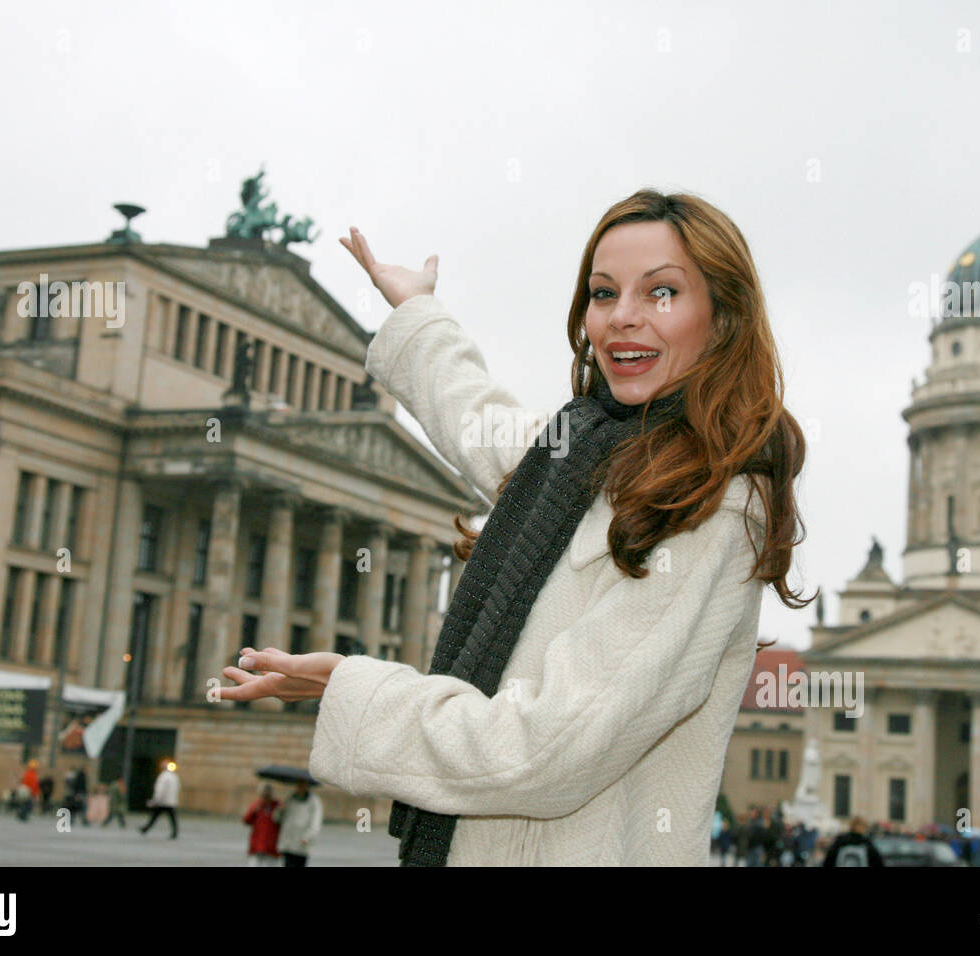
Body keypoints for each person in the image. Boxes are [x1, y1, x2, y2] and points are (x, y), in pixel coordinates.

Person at [218, 192, 812, 866]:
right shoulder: (581, 457)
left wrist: (352, 687)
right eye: (603, 292)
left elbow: (548, 749)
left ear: (724, 318)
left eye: (663, 293)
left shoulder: (717, 507)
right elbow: (480, 421)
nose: (622, 318)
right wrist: (418, 313)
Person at [276, 779, 323, 867]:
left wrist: (307, 837)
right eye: (299, 784)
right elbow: (276, 818)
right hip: (288, 842)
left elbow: (315, 823)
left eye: (303, 784)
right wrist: (280, 810)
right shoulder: (289, 798)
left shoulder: (314, 801)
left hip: (302, 843)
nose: (300, 787)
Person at [243, 784, 282, 866]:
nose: (265, 798)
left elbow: (281, 821)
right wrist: (253, 811)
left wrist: (281, 810)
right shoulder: (256, 804)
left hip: (272, 847)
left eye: (267, 795)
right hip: (257, 845)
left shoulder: (277, 806)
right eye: (263, 795)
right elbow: (246, 820)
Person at [140, 759, 179, 839]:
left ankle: (145, 829)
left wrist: (155, 800)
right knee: (171, 818)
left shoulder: (163, 776)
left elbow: (160, 790)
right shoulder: (174, 776)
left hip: (163, 801)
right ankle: (174, 832)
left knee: (155, 816)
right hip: (171, 801)